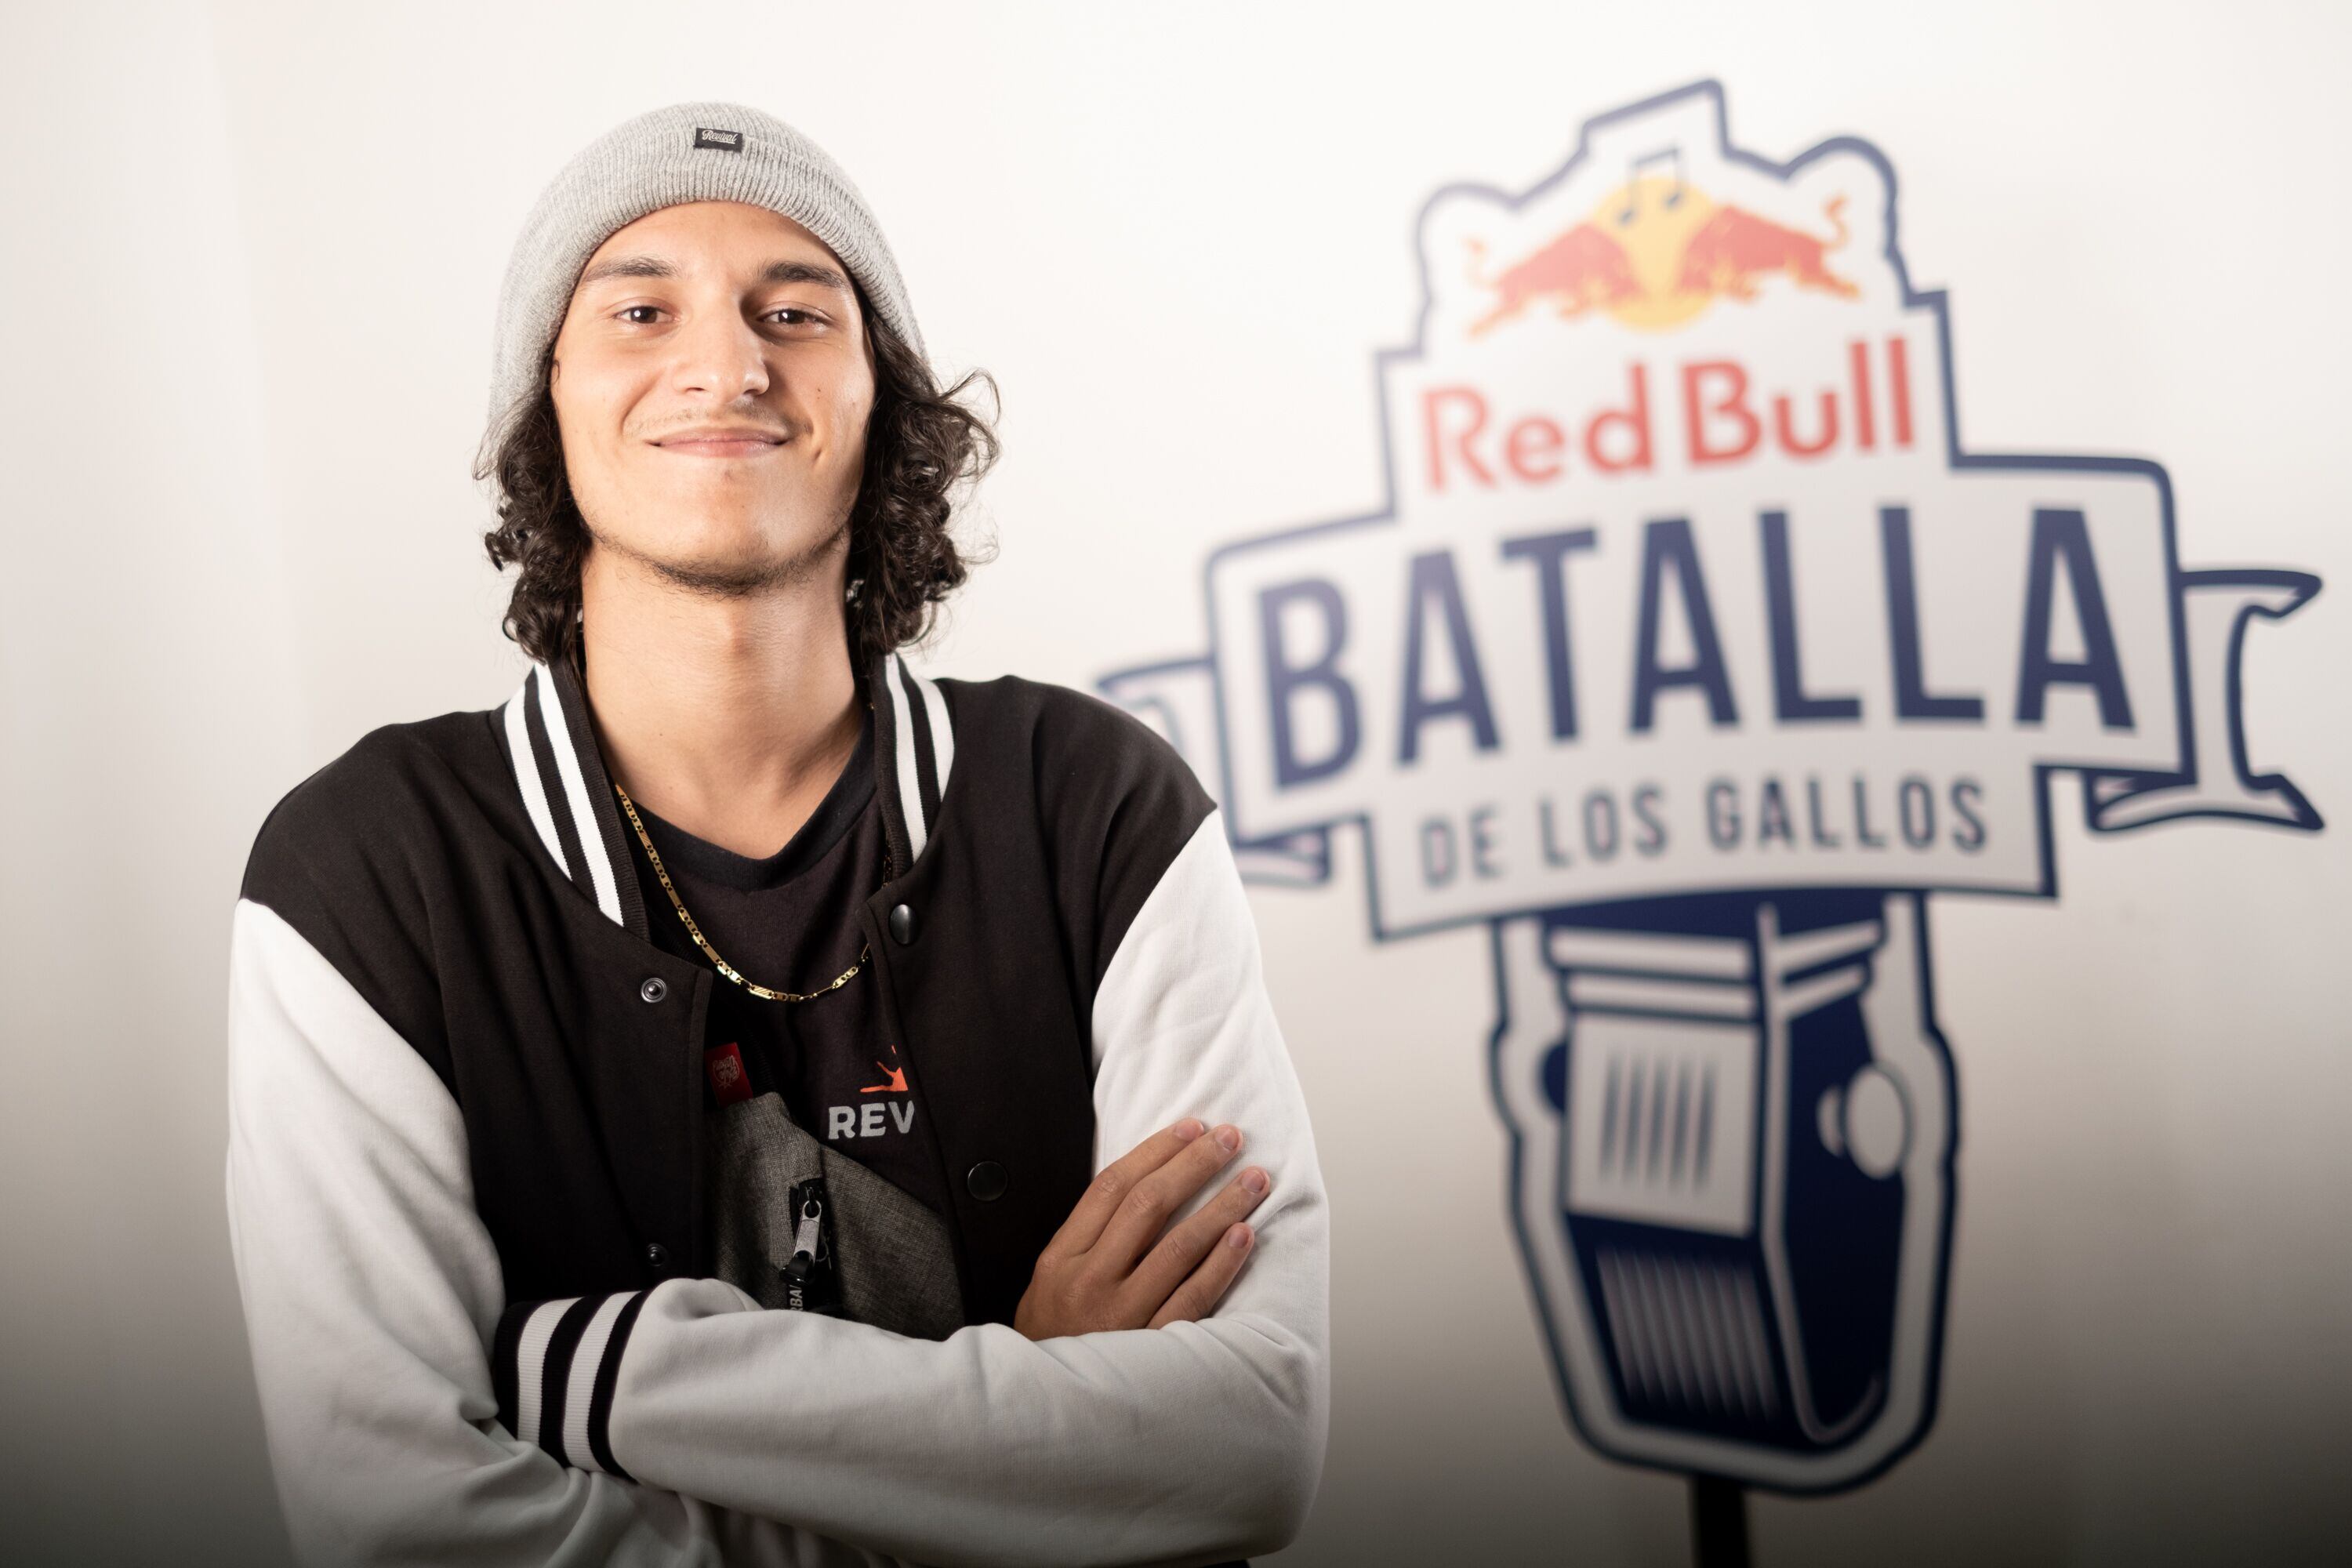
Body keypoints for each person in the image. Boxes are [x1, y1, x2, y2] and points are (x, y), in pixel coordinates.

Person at [223, 100, 1330, 1567]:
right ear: (544, 404)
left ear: (881, 403)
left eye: (795, 312)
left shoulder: (1097, 804)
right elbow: (394, 1521)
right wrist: (1034, 1422)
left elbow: (1250, 1442)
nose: (729, 363)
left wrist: (603, 1375)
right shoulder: (365, 874)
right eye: (640, 310)